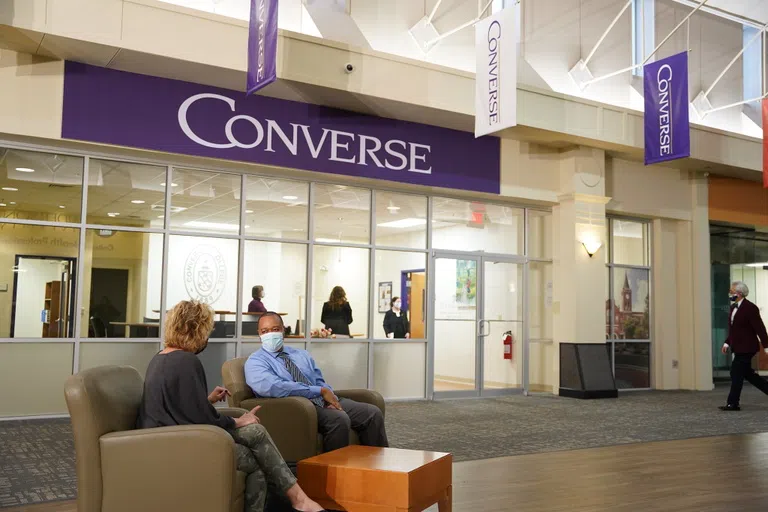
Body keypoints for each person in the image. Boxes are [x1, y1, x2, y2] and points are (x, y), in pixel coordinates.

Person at [137, 300, 324, 512]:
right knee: (255, 439)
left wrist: (207, 400)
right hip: (178, 444)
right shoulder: (186, 361)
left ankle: (298, 500)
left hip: (172, 435)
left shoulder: (161, 358)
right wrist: (238, 420)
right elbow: (200, 419)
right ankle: (299, 500)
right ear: (196, 329)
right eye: (207, 330)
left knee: (255, 447)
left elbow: (174, 406)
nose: (207, 336)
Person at [245, 312, 388, 453]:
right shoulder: (255, 362)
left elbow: (319, 380)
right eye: (265, 331)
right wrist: (318, 392)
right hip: (296, 407)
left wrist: (329, 399)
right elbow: (274, 387)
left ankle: (378, 470)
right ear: (259, 334)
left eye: (275, 329)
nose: (270, 334)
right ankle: (335, 473)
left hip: (322, 400)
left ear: (283, 330)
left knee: (372, 414)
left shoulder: (301, 354)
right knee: (339, 419)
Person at [719, 281, 768, 411]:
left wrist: (766, 345)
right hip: (738, 346)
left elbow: (760, 328)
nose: (730, 293)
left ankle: (733, 403)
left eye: (732, 291)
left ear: (739, 293)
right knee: (748, 374)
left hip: (747, 347)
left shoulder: (750, 308)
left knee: (735, 372)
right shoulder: (733, 307)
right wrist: (727, 342)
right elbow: (734, 329)